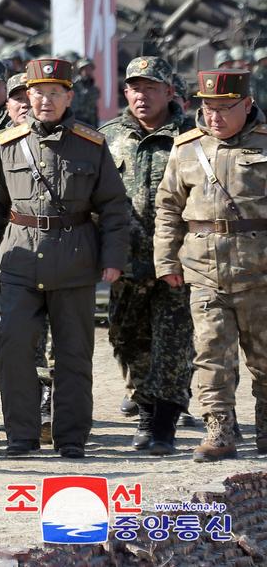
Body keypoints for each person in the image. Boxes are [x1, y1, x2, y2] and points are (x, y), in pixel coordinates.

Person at [0, 57, 129, 459]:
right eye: (37, 93)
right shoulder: (7, 144)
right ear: (27, 96)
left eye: (54, 92)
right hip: (20, 262)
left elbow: (113, 205)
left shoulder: (91, 144)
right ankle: (21, 436)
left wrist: (113, 258)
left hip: (74, 260)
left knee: (74, 353)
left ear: (68, 96)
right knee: (15, 348)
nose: (45, 100)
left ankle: (72, 436)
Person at [155, 68, 267, 462]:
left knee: (264, 358)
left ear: (247, 105)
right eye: (207, 107)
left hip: (261, 273)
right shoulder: (186, 147)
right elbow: (168, 208)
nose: (214, 116)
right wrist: (166, 260)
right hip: (204, 271)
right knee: (211, 354)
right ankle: (219, 429)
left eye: (224, 108)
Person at [99, 57, 193, 455]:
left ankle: (162, 422)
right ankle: (144, 405)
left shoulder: (193, 136)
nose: (141, 95)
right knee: (127, 339)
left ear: (169, 93)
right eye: (135, 88)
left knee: (173, 343)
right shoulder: (107, 138)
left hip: (180, 261)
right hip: (126, 263)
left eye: (151, 88)